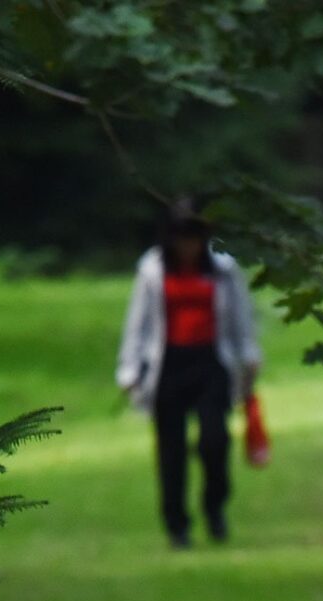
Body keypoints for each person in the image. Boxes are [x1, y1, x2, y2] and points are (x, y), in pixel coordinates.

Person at [116, 199, 264, 548]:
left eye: (194, 238)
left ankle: (215, 507)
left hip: (211, 362)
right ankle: (177, 525)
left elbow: (241, 319)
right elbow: (138, 323)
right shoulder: (152, 270)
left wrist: (249, 358)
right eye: (181, 238)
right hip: (167, 365)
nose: (188, 246)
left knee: (215, 440)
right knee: (171, 450)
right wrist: (129, 369)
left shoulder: (223, 270)